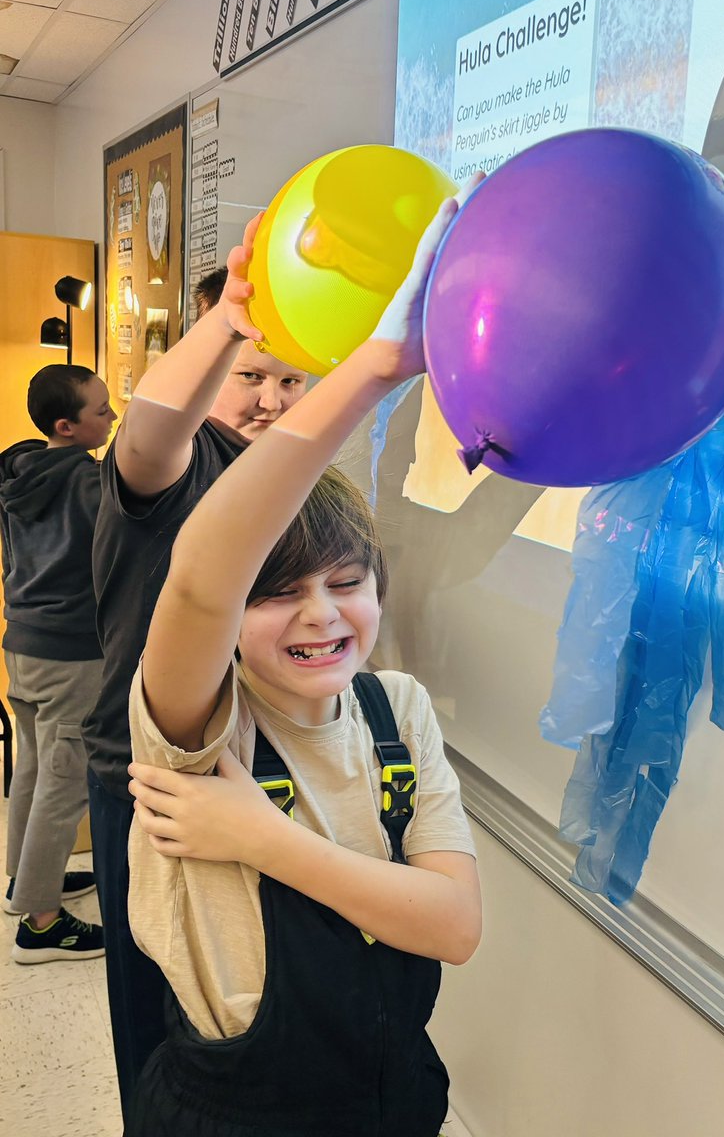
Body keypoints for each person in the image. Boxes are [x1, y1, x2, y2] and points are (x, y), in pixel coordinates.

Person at [123, 193, 481, 1136]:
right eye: (279, 593)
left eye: (348, 582)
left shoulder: (396, 709)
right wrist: (374, 365)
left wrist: (263, 839)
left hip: (393, 1097)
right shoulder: (199, 733)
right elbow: (201, 581)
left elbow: (453, 926)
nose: (323, 616)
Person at [82, 251, 311, 1111]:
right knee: (163, 1026)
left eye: (291, 380)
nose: (271, 400)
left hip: (255, 778)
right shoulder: (179, 467)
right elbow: (149, 431)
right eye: (250, 373)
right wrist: (229, 315)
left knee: (240, 1016)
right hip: (153, 783)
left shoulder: (288, 475)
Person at [1, 364, 116, 961]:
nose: (113, 415)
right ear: (67, 426)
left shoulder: (18, 472)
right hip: (71, 654)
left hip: (22, 645)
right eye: (101, 410)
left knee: (34, 767)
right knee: (64, 781)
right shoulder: (92, 486)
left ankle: (26, 880)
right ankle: (40, 923)